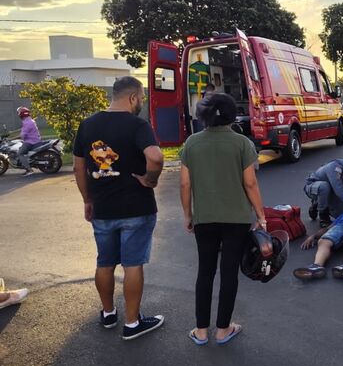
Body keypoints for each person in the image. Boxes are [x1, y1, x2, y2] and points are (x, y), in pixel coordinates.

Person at [73, 76, 165, 341]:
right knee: (132, 263)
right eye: (143, 97)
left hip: (102, 207)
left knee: (105, 261)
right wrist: (150, 180)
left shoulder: (87, 125)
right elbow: (156, 157)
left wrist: (87, 200)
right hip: (137, 206)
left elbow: (79, 167)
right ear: (133, 97)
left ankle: (109, 312)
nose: (143, 102)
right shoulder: (138, 124)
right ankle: (133, 323)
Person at [180, 93, 267, 346]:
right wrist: (260, 215)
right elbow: (250, 183)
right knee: (229, 273)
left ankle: (201, 331)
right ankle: (223, 329)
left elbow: (185, 184)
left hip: (204, 218)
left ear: (203, 115)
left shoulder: (192, 143)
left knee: (204, 272)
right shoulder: (241, 143)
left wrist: (188, 214)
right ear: (231, 114)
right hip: (236, 219)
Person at [16, 107, 42, 176]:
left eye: (19, 113)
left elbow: (22, 136)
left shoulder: (27, 123)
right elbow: (24, 130)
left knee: (20, 153)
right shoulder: (30, 120)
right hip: (35, 140)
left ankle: (29, 170)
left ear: (21, 114)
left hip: (31, 142)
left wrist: (11, 138)